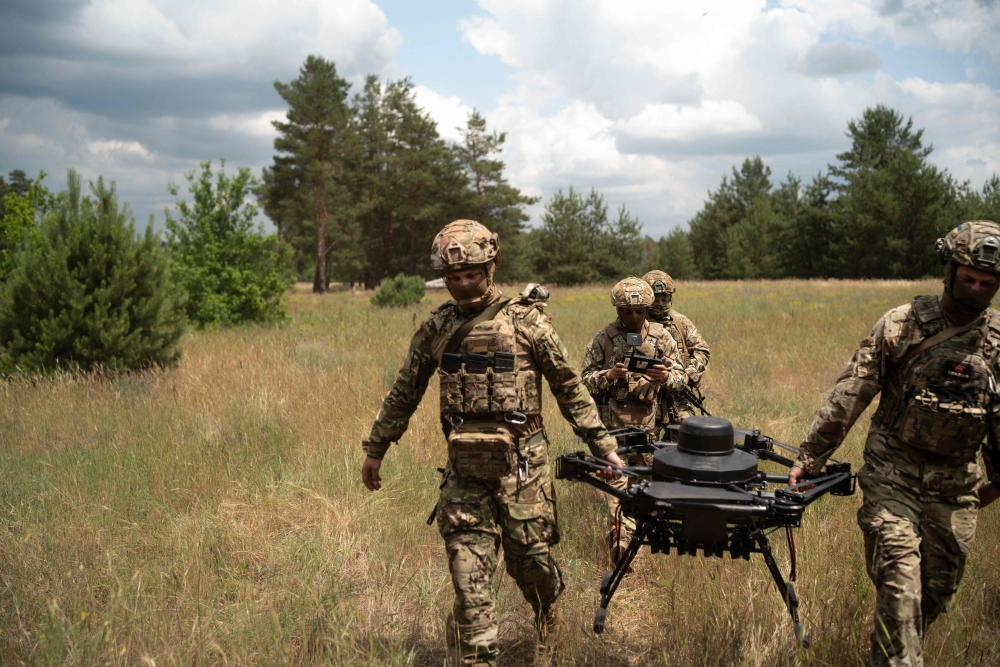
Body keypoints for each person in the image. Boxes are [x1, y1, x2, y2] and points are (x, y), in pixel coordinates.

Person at [360, 219, 624, 667]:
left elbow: (568, 386)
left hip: (524, 468)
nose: (463, 284)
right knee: (468, 581)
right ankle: (476, 655)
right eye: (454, 277)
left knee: (531, 565)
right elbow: (405, 389)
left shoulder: (527, 322)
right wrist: (376, 447)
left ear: (491, 266)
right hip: (464, 472)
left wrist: (604, 446)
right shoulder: (436, 328)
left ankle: (547, 612)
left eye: (473, 275)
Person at [788, 220, 1000, 667]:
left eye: (987, 283)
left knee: (933, 597)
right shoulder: (902, 325)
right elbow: (852, 391)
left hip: (955, 489)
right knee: (902, 594)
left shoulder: (997, 343)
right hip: (892, 480)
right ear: (948, 271)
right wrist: (810, 456)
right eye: (968, 280)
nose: (976, 289)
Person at [580, 276, 687, 562]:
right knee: (616, 489)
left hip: (649, 431)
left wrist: (666, 377)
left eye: (639, 311)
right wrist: (607, 376)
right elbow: (583, 381)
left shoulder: (662, 337)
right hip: (612, 433)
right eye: (627, 311)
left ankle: (641, 535)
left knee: (647, 489)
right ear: (617, 309)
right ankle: (621, 543)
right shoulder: (603, 338)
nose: (634, 316)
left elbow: (681, 378)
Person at [642, 270, 711, 429]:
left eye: (664, 300)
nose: (660, 305)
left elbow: (702, 351)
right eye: (655, 300)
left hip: (679, 395)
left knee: (685, 440)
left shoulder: (681, 323)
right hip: (645, 394)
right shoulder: (637, 323)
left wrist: (687, 376)